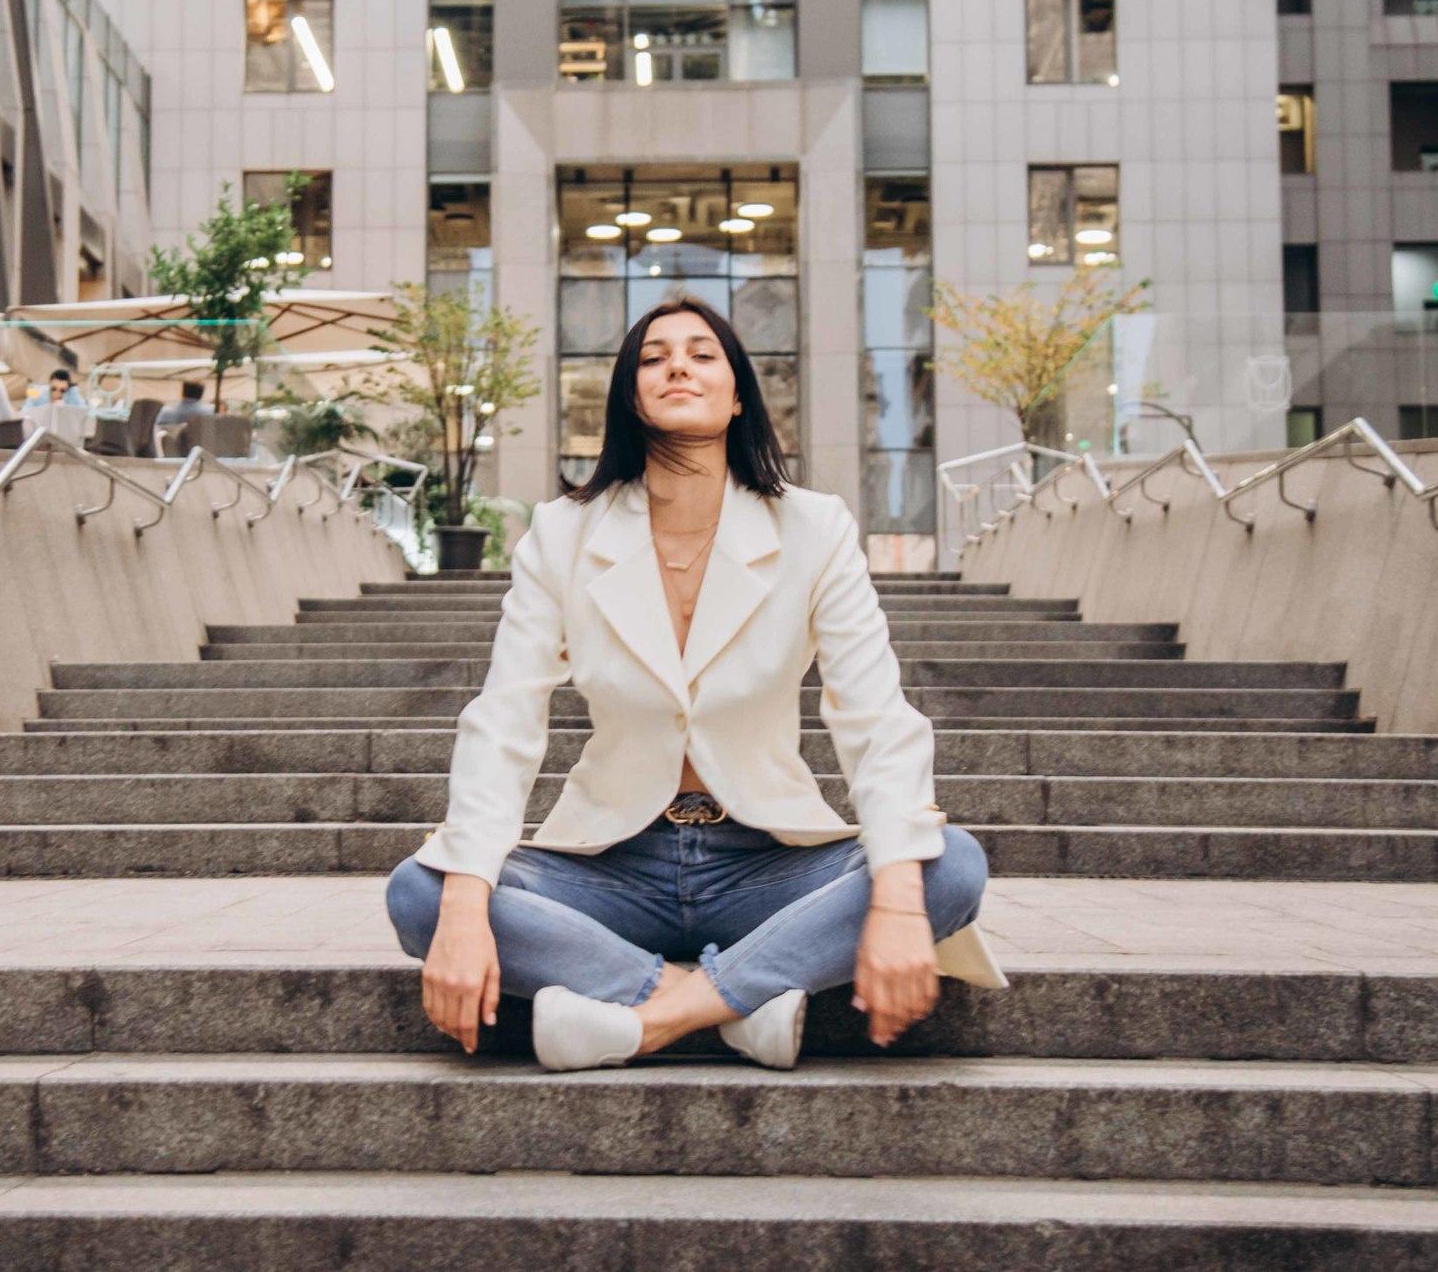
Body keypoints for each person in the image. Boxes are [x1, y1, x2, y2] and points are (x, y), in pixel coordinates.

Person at [385, 296, 1001, 1075]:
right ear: (630, 395)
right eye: (653, 357)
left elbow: (875, 717)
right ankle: (731, 1002)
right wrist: (467, 903)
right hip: (613, 865)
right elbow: (504, 720)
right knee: (423, 891)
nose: (677, 364)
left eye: (702, 353)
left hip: (766, 862)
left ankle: (649, 1019)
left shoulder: (814, 527)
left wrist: (902, 901)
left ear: (738, 393)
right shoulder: (564, 532)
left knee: (950, 864)